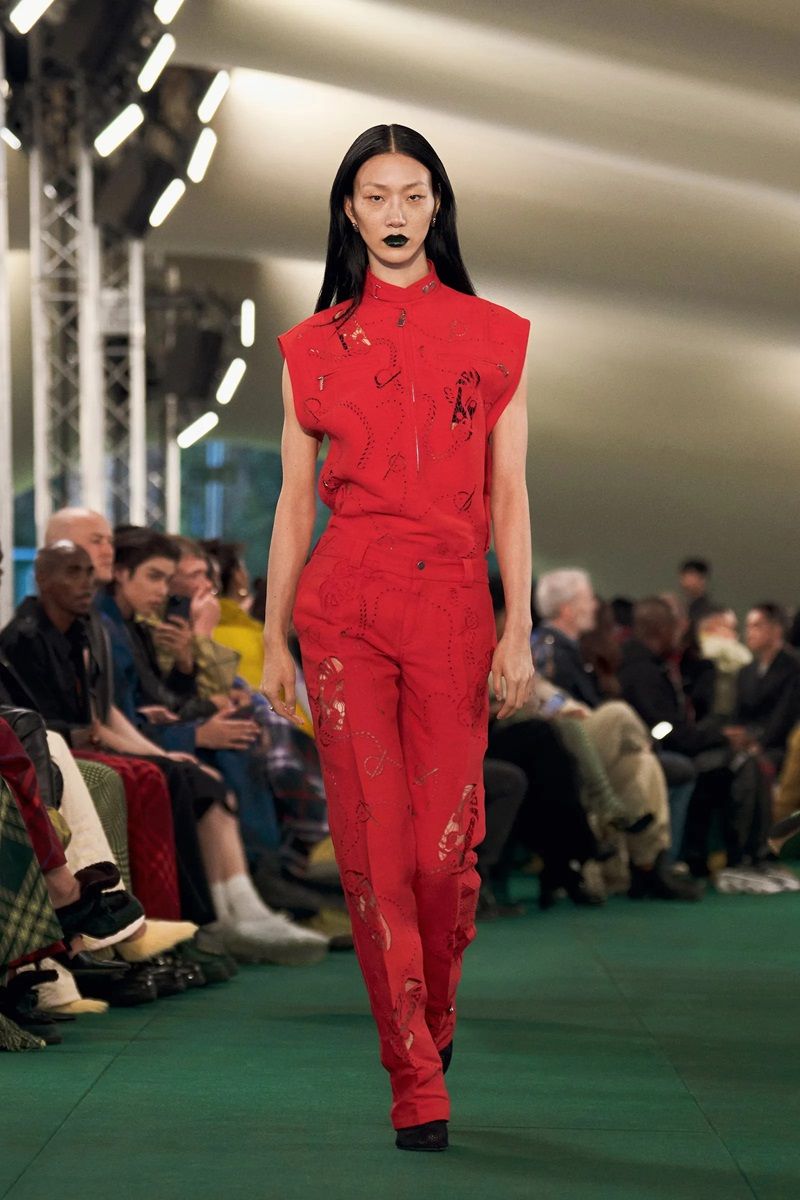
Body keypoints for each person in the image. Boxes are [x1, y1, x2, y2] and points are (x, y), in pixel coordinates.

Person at [260, 124, 534, 1151]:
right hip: (344, 609)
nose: (393, 213)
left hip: (456, 606)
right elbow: (294, 504)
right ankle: (412, 1075)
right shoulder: (309, 347)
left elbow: (510, 493)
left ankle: (436, 1015)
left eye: (411, 194)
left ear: (436, 206)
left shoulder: (496, 336)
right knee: (374, 852)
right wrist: (275, 640)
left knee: (440, 854)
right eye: (373, 195)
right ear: (349, 209)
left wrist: (519, 626)